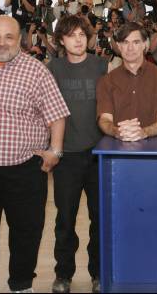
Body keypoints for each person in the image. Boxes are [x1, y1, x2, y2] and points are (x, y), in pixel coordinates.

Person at [0, 15, 70, 293]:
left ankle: (21, 285)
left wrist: (55, 150)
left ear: (19, 40)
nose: (2, 42)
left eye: (9, 37)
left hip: (23, 169)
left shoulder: (36, 70)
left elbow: (57, 115)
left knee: (26, 231)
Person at [47, 15, 108, 294]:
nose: (78, 39)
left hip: (98, 154)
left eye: (82, 33)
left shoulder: (101, 65)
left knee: (99, 219)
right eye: (71, 35)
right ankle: (63, 274)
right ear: (61, 40)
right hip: (67, 156)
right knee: (65, 220)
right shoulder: (53, 68)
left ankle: (98, 273)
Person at [96, 22, 157, 142]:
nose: (130, 48)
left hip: (154, 151)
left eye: (136, 42)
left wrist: (143, 132)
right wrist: (118, 132)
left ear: (145, 45)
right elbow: (105, 120)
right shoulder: (107, 81)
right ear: (118, 46)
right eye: (125, 42)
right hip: (117, 150)